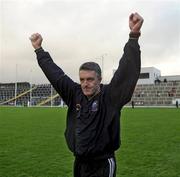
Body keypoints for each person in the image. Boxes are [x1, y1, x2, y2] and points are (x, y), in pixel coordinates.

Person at [30, 12, 143, 177]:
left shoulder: (110, 96)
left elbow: (127, 70)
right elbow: (54, 73)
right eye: (82, 79)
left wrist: (134, 36)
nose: (85, 83)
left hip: (102, 164)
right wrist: (39, 50)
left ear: (100, 79)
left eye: (90, 79)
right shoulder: (75, 93)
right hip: (80, 162)